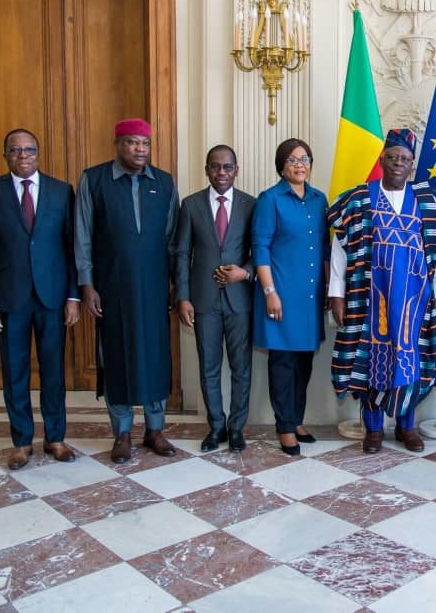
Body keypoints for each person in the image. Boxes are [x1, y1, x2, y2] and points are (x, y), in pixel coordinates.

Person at [328, 128, 436, 454]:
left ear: (412, 164)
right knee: (370, 362)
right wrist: (336, 294)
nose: (398, 163)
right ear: (382, 159)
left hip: (413, 301)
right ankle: (374, 429)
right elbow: (340, 250)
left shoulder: (427, 203)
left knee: (410, 360)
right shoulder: (359, 199)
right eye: (392, 157)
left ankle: (406, 427)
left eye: (405, 159)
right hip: (368, 298)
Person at [0, 128, 80, 470]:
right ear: (5, 155)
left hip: (52, 297)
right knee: (14, 372)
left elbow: (71, 248)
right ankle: (21, 441)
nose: (23, 155)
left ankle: (55, 437)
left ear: (38, 152)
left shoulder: (62, 191)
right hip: (10, 298)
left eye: (29, 149)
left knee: (54, 372)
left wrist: (73, 296)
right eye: (15, 150)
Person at [75, 118, 179, 464]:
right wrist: (87, 284)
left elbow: (172, 240)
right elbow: (83, 236)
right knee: (116, 356)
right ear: (118, 144)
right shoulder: (94, 180)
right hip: (111, 287)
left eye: (145, 143)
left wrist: (175, 286)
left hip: (154, 287)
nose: (140, 149)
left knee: (155, 355)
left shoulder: (164, 182)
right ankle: (121, 432)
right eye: (133, 142)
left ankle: (155, 429)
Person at [175, 145, 255, 454]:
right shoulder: (190, 205)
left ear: (237, 170)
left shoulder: (251, 205)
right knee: (208, 367)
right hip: (203, 299)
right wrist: (183, 297)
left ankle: (236, 428)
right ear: (206, 169)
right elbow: (182, 254)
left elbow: (260, 250)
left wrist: (245, 272)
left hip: (240, 301)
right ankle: (216, 426)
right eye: (215, 166)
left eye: (227, 167)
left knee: (241, 368)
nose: (221, 172)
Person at [252, 138, 329, 456]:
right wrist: (269, 292)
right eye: (293, 160)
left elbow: (325, 248)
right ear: (281, 166)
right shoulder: (270, 199)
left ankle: (296, 419)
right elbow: (260, 248)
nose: (300, 165)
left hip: (310, 296)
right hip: (280, 294)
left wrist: (328, 288)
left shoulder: (319, 199)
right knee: (283, 362)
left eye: (305, 159)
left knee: (304, 362)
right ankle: (284, 427)